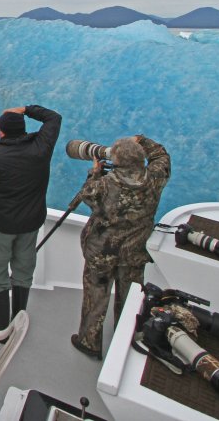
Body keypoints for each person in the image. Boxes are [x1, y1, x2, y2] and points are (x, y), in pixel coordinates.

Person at [72, 134, 170, 360]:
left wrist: (94, 172)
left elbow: (86, 196)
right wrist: (142, 140)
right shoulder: (156, 176)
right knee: (130, 300)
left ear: (115, 161)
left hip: (101, 252)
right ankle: (125, 342)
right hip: (134, 252)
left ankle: (89, 342)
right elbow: (162, 155)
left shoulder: (105, 184)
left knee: (95, 297)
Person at [0, 105, 62, 331]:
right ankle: (17, 321)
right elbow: (53, 118)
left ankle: (0, 327)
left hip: (2, 224)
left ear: (1, 131)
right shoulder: (41, 148)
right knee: (23, 271)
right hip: (30, 223)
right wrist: (25, 109)